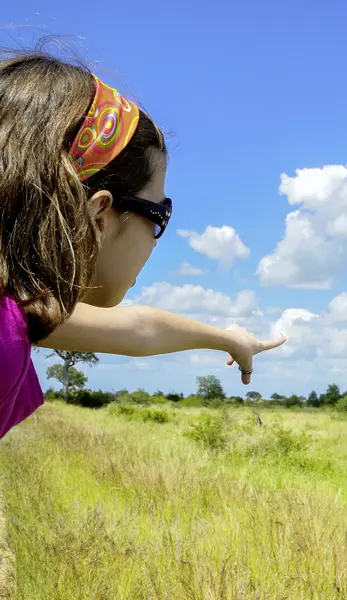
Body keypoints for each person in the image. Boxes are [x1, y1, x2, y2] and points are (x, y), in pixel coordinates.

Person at [0, 50, 286, 440]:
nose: (155, 242)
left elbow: (138, 328)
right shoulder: (5, 341)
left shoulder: (13, 311)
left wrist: (229, 338)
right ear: (98, 215)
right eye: (159, 215)